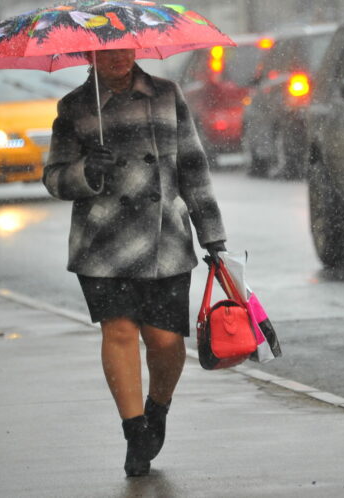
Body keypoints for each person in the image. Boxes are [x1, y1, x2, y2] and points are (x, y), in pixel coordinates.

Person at [42, 48, 227, 477]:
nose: (118, 59)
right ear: (90, 55)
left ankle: (156, 409)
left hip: (166, 241)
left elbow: (193, 166)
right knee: (120, 332)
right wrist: (86, 171)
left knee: (165, 342)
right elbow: (54, 176)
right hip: (103, 244)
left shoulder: (166, 94)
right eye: (106, 53)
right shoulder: (74, 107)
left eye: (124, 49)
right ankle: (134, 432)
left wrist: (212, 233)